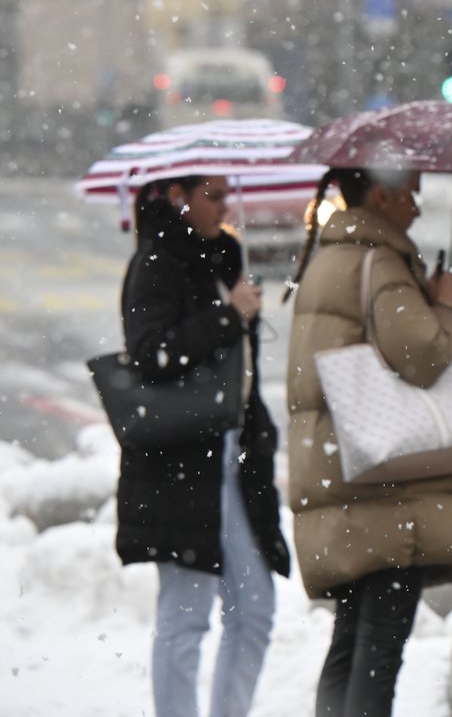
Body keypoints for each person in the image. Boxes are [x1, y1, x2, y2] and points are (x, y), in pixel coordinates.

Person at [284, 166, 452, 717]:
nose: (418, 209)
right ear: (380, 195)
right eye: (410, 195)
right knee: (379, 652)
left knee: (350, 644)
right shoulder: (380, 261)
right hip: (391, 490)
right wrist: (444, 304)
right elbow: (421, 355)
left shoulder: (327, 257)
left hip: (345, 472)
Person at [117, 175, 291, 717]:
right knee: (186, 612)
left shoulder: (225, 257)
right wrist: (227, 315)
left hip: (236, 455)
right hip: (180, 461)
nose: (224, 205)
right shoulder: (157, 261)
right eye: (211, 195)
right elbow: (150, 353)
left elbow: (240, 371)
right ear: (178, 196)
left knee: (255, 607)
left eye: (225, 193)